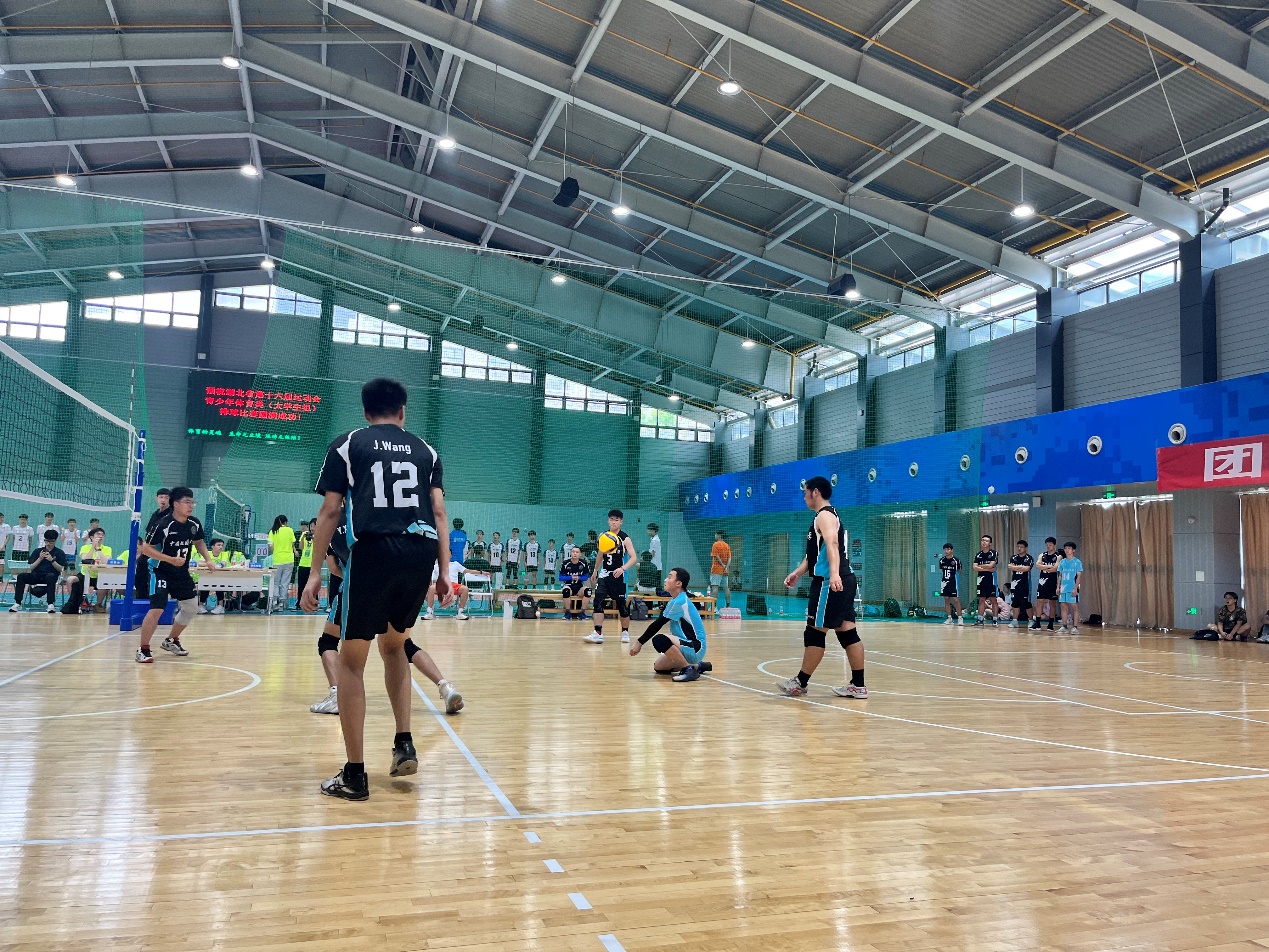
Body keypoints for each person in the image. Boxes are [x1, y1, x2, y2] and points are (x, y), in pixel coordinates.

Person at [300, 377, 450, 802]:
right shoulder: (426, 450)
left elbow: (330, 510)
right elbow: (439, 512)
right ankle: (404, 742)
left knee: (351, 662)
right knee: (395, 647)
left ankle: (354, 775)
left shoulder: (348, 445)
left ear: (365, 412)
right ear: (403, 411)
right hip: (420, 552)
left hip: (374, 551)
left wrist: (314, 572)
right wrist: (443, 571)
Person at [311, 518, 463, 717]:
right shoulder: (368, 514)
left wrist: (350, 577)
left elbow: (332, 568)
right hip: (392, 583)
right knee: (402, 646)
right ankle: (445, 686)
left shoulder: (330, 529)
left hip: (356, 589)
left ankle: (337, 696)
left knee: (328, 642)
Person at [777, 475, 866, 699]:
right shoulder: (825, 516)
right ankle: (858, 685)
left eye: (805, 492)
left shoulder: (825, 515)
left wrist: (833, 574)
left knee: (814, 633)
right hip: (843, 578)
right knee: (847, 632)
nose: (804, 497)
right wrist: (798, 573)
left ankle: (800, 682)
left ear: (815, 492)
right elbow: (814, 555)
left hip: (830, 582)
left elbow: (832, 544)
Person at [135, 487, 215, 662]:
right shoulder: (163, 525)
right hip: (159, 570)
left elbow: (199, 542)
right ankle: (143, 649)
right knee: (157, 608)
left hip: (180, 572)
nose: (191, 505)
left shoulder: (194, 524)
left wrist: (208, 559)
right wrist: (170, 559)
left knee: (191, 606)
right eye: (187, 502)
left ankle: (171, 640)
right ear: (176, 504)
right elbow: (146, 549)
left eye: (192, 502)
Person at [629, 568, 711, 682]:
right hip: (687, 646)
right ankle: (698, 666)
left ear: (678, 583)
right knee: (659, 667)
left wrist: (639, 643)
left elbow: (658, 624)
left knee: (659, 640)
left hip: (695, 647)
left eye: (669, 577)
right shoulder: (674, 600)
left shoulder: (680, 601)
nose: (665, 580)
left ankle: (688, 669)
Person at [584, 509, 638, 645]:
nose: (614, 522)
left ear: (621, 522)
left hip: (619, 576)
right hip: (605, 574)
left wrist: (622, 568)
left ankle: (625, 632)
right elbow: (600, 554)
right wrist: (595, 570)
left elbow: (633, 557)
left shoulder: (625, 538)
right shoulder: (603, 536)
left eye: (616, 520)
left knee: (621, 605)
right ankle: (597, 633)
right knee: (598, 601)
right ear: (608, 521)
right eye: (611, 519)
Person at [9, 529, 69, 613]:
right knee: (21, 576)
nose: (48, 544)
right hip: (36, 575)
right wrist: (40, 558)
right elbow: (32, 567)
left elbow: (61, 569)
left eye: (51, 542)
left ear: (55, 541)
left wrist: (52, 560)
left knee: (51, 576)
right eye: (46, 541)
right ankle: (17, 603)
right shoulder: (37, 551)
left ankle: (50, 604)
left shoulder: (59, 553)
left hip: (49, 576)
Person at [132, 489, 170, 599]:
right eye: (161, 497)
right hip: (150, 550)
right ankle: (141, 599)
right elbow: (148, 533)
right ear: (157, 498)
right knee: (140, 571)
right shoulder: (155, 514)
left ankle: (157, 600)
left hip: (163, 552)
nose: (163, 500)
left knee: (158, 578)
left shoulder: (171, 515)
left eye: (166, 497)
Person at [1031, 537, 1062, 632]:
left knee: (1052, 603)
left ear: (1054, 545)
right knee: (1039, 601)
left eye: (1050, 545)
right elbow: (1037, 565)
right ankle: (1037, 623)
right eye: (1047, 545)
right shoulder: (1042, 555)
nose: (1048, 547)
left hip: (1052, 582)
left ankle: (1051, 624)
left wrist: (1044, 567)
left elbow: (1055, 568)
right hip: (1042, 582)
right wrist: (1049, 566)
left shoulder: (1058, 556)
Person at [267, 515, 296, 613]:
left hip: (278, 560)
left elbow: (271, 546)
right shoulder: (290, 530)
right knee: (285, 582)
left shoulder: (272, 531)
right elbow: (292, 544)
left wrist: (276, 551)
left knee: (275, 582)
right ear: (285, 522)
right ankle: (282, 604)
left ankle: (275, 602)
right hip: (289, 560)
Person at [196, 539, 233, 614]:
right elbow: (199, 563)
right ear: (212, 546)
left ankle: (221, 606)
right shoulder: (207, 554)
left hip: (221, 577)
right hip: (208, 576)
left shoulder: (224, 554)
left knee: (219, 585)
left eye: (222, 545)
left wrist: (210, 565)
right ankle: (201, 605)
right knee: (205, 585)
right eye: (218, 545)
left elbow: (223, 564)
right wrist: (210, 565)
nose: (221, 547)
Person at [972, 535, 999, 626]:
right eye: (983, 540)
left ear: (990, 543)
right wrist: (987, 568)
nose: (984, 542)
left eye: (986, 541)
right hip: (981, 580)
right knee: (981, 599)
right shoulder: (978, 555)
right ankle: (980, 619)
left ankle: (995, 619)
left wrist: (981, 566)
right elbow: (975, 567)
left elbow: (991, 565)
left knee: (993, 599)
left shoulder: (993, 553)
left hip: (991, 580)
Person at [1006, 540, 1033, 628]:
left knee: (1026, 603)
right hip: (1014, 584)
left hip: (1025, 584)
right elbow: (1010, 566)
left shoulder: (1029, 558)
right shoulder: (1013, 557)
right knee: (1015, 602)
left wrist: (1016, 567)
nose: (1019, 548)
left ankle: (1031, 620)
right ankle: (1014, 621)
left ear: (1025, 548)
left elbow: (1027, 568)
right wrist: (1021, 567)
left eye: (1021, 547)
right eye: (1018, 547)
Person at [1057, 541, 1083, 634]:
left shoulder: (1077, 562)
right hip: (1063, 587)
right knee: (1063, 605)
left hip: (1072, 587)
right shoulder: (1062, 562)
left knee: (1074, 606)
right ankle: (1064, 626)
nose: (1067, 550)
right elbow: (1060, 575)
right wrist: (1058, 587)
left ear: (1073, 550)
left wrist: (1075, 588)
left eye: (1069, 548)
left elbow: (1079, 576)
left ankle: (1075, 627)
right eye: (1066, 548)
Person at [559, 546, 591, 620]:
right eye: (573, 552)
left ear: (580, 554)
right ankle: (568, 612)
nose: (575, 553)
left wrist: (578, 578)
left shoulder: (583, 563)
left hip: (579, 587)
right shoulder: (565, 563)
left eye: (577, 552)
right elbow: (560, 577)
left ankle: (582, 612)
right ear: (571, 553)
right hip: (569, 586)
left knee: (588, 591)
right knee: (566, 591)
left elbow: (586, 577)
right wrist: (571, 577)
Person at [938, 543, 962, 625]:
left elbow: (959, 571)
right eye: (945, 549)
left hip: (953, 582)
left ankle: (960, 618)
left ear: (952, 550)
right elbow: (942, 570)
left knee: (956, 599)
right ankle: (949, 618)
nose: (946, 551)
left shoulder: (956, 560)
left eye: (948, 549)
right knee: (946, 599)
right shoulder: (942, 560)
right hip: (944, 582)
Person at [293, 520, 316, 610]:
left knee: (313, 586)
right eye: (311, 526)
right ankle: (299, 602)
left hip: (313, 564)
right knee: (301, 585)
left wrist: (313, 538)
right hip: (303, 563)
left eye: (314, 526)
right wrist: (303, 537)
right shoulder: (305, 534)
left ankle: (314, 603)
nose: (312, 528)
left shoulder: (319, 535)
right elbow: (301, 547)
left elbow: (319, 547)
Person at [709, 530, 732, 609]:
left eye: (716, 534)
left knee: (715, 588)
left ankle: (714, 608)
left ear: (719, 535)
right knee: (726, 588)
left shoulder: (715, 544)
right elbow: (729, 558)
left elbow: (716, 556)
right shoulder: (727, 545)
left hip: (716, 569)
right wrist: (726, 567)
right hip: (725, 570)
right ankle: (728, 606)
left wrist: (722, 565)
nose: (715, 535)